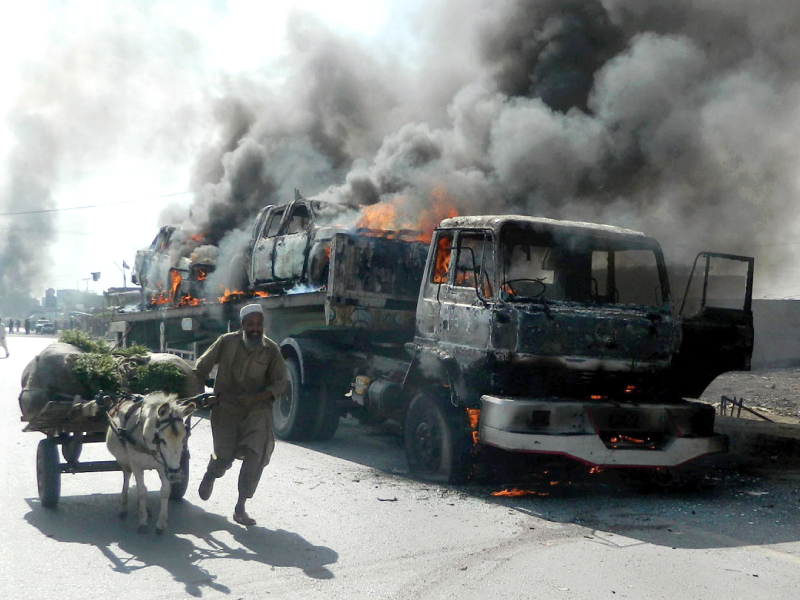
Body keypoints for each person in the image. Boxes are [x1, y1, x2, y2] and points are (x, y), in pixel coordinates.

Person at [193, 303, 288, 526]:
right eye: (250, 324)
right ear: (242, 325)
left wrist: (257, 398)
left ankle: (240, 506)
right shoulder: (226, 342)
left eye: (258, 324)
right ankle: (211, 473)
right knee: (224, 456)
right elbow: (201, 366)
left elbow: (280, 382)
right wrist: (199, 394)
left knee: (256, 455)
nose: (255, 329)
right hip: (226, 409)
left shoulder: (271, 349)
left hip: (257, 410)